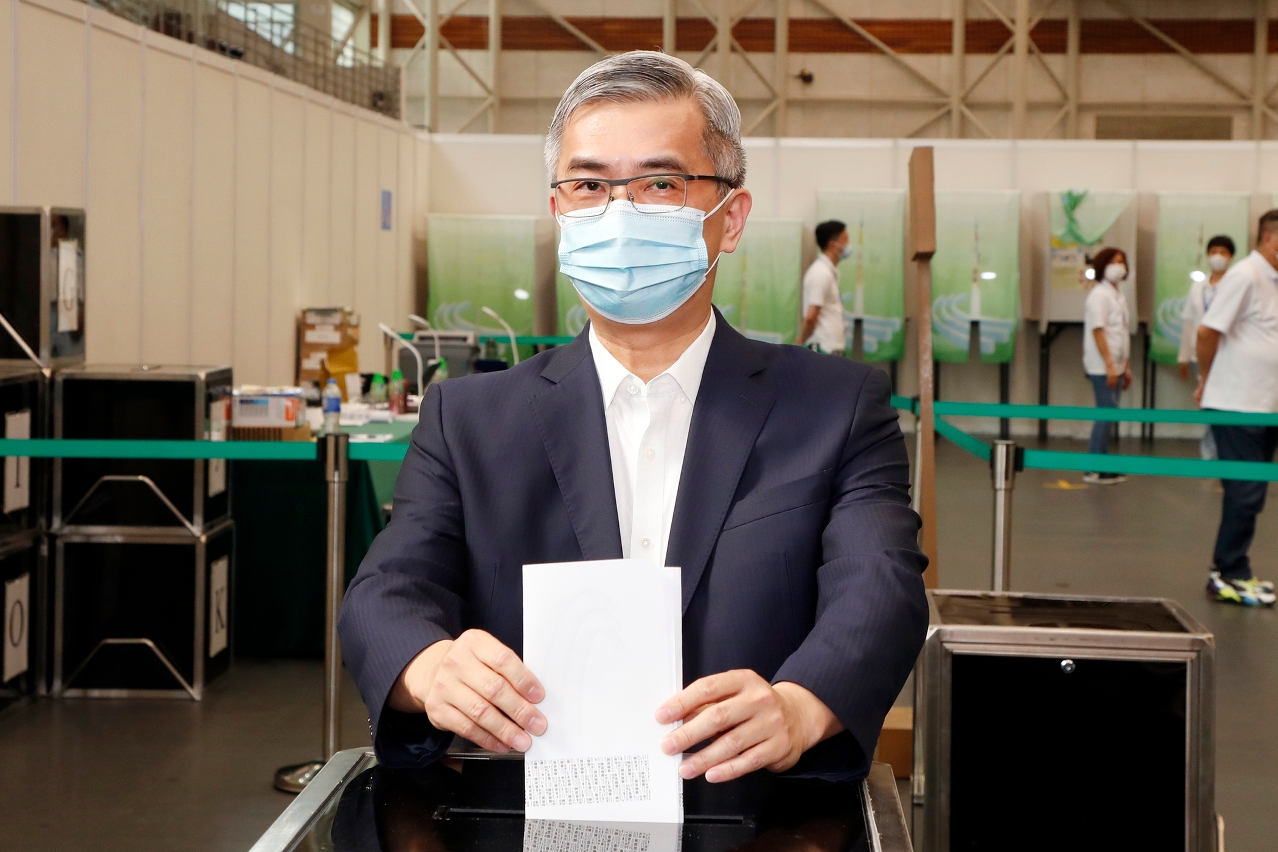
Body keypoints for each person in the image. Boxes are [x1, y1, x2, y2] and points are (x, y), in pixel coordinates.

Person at [338, 51, 930, 784]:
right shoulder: (470, 419)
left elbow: (880, 585)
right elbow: (385, 592)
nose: (620, 215)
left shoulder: (835, 408)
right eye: (589, 185)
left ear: (730, 217)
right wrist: (430, 669)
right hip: (522, 809)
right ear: (559, 214)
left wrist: (800, 707)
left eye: (660, 183)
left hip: (758, 810)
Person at [1194, 212, 1278, 607]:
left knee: (1253, 493)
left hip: (1264, 405)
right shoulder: (1245, 275)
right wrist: (1206, 378)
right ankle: (1227, 572)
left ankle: (1236, 568)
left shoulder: (1271, 279)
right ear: (1270, 238)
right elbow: (1207, 331)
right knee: (1244, 491)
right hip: (1237, 403)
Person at [1179, 235, 1234, 460]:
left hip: (1228, 354)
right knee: (1208, 405)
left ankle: (1221, 455)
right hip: (1201, 355)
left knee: (1225, 407)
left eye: (1223, 252)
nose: (1217, 256)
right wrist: (1183, 357)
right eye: (1213, 252)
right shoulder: (1197, 287)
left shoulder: (1234, 284)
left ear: (1230, 257)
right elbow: (1189, 323)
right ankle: (1209, 457)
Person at [1081, 247, 1132, 484]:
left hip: (1117, 364)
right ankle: (1093, 468)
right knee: (1105, 412)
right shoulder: (1099, 295)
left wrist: (1125, 366)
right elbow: (1098, 330)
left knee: (1109, 413)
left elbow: (1121, 333)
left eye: (1121, 261)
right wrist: (1110, 365)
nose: (1118, 266)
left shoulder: (1118, 295)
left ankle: (1102, 463)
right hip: (1102, 365)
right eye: (1113, 262)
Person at [796, 221, 850, 355]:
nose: (848, 244)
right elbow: (811, 317)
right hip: (824, 349)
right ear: (832, 245)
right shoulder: (820, 273)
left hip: (832, 348)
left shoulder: (829, 271)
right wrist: (802, 340)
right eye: (845, 239)